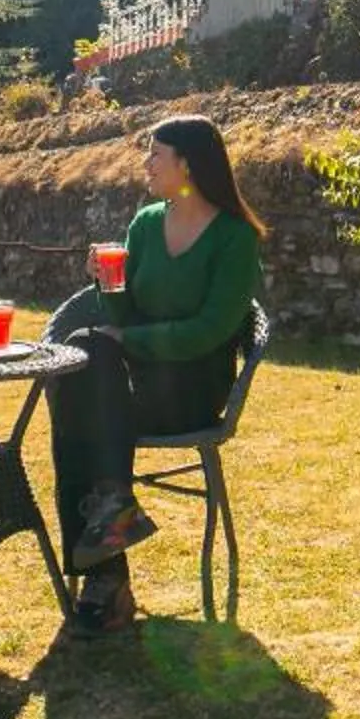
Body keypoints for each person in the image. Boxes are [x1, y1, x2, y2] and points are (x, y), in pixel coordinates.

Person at [47, 113, 265, 636]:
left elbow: (212, 328)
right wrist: (108, 285)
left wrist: (132, 341)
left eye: (155, 155)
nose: (145, 164)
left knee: (86, 410)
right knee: (82, 352)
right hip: (138, 384)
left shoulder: (235, 237)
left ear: (186, 165)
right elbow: (121, 318)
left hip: (193, 386)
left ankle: (104, 577)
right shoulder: (146, 223)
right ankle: (110, 560)